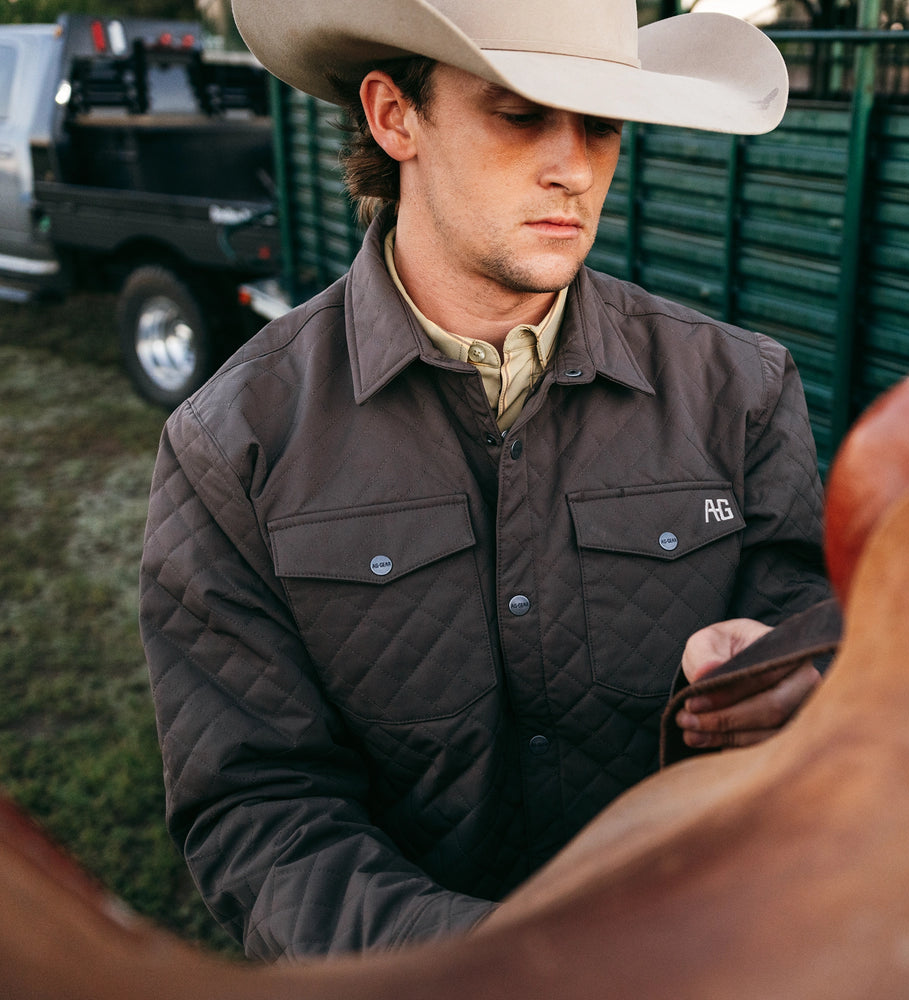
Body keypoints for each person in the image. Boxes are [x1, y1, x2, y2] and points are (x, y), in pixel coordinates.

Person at [139, 0, 831, 961]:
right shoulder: (233, 445)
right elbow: (258, 809)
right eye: (519, 113)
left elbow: (813, 636)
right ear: (395, 117)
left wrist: (797, 681)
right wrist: (497, 964)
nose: (575, 168)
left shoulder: (741, 390)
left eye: (601, 125)